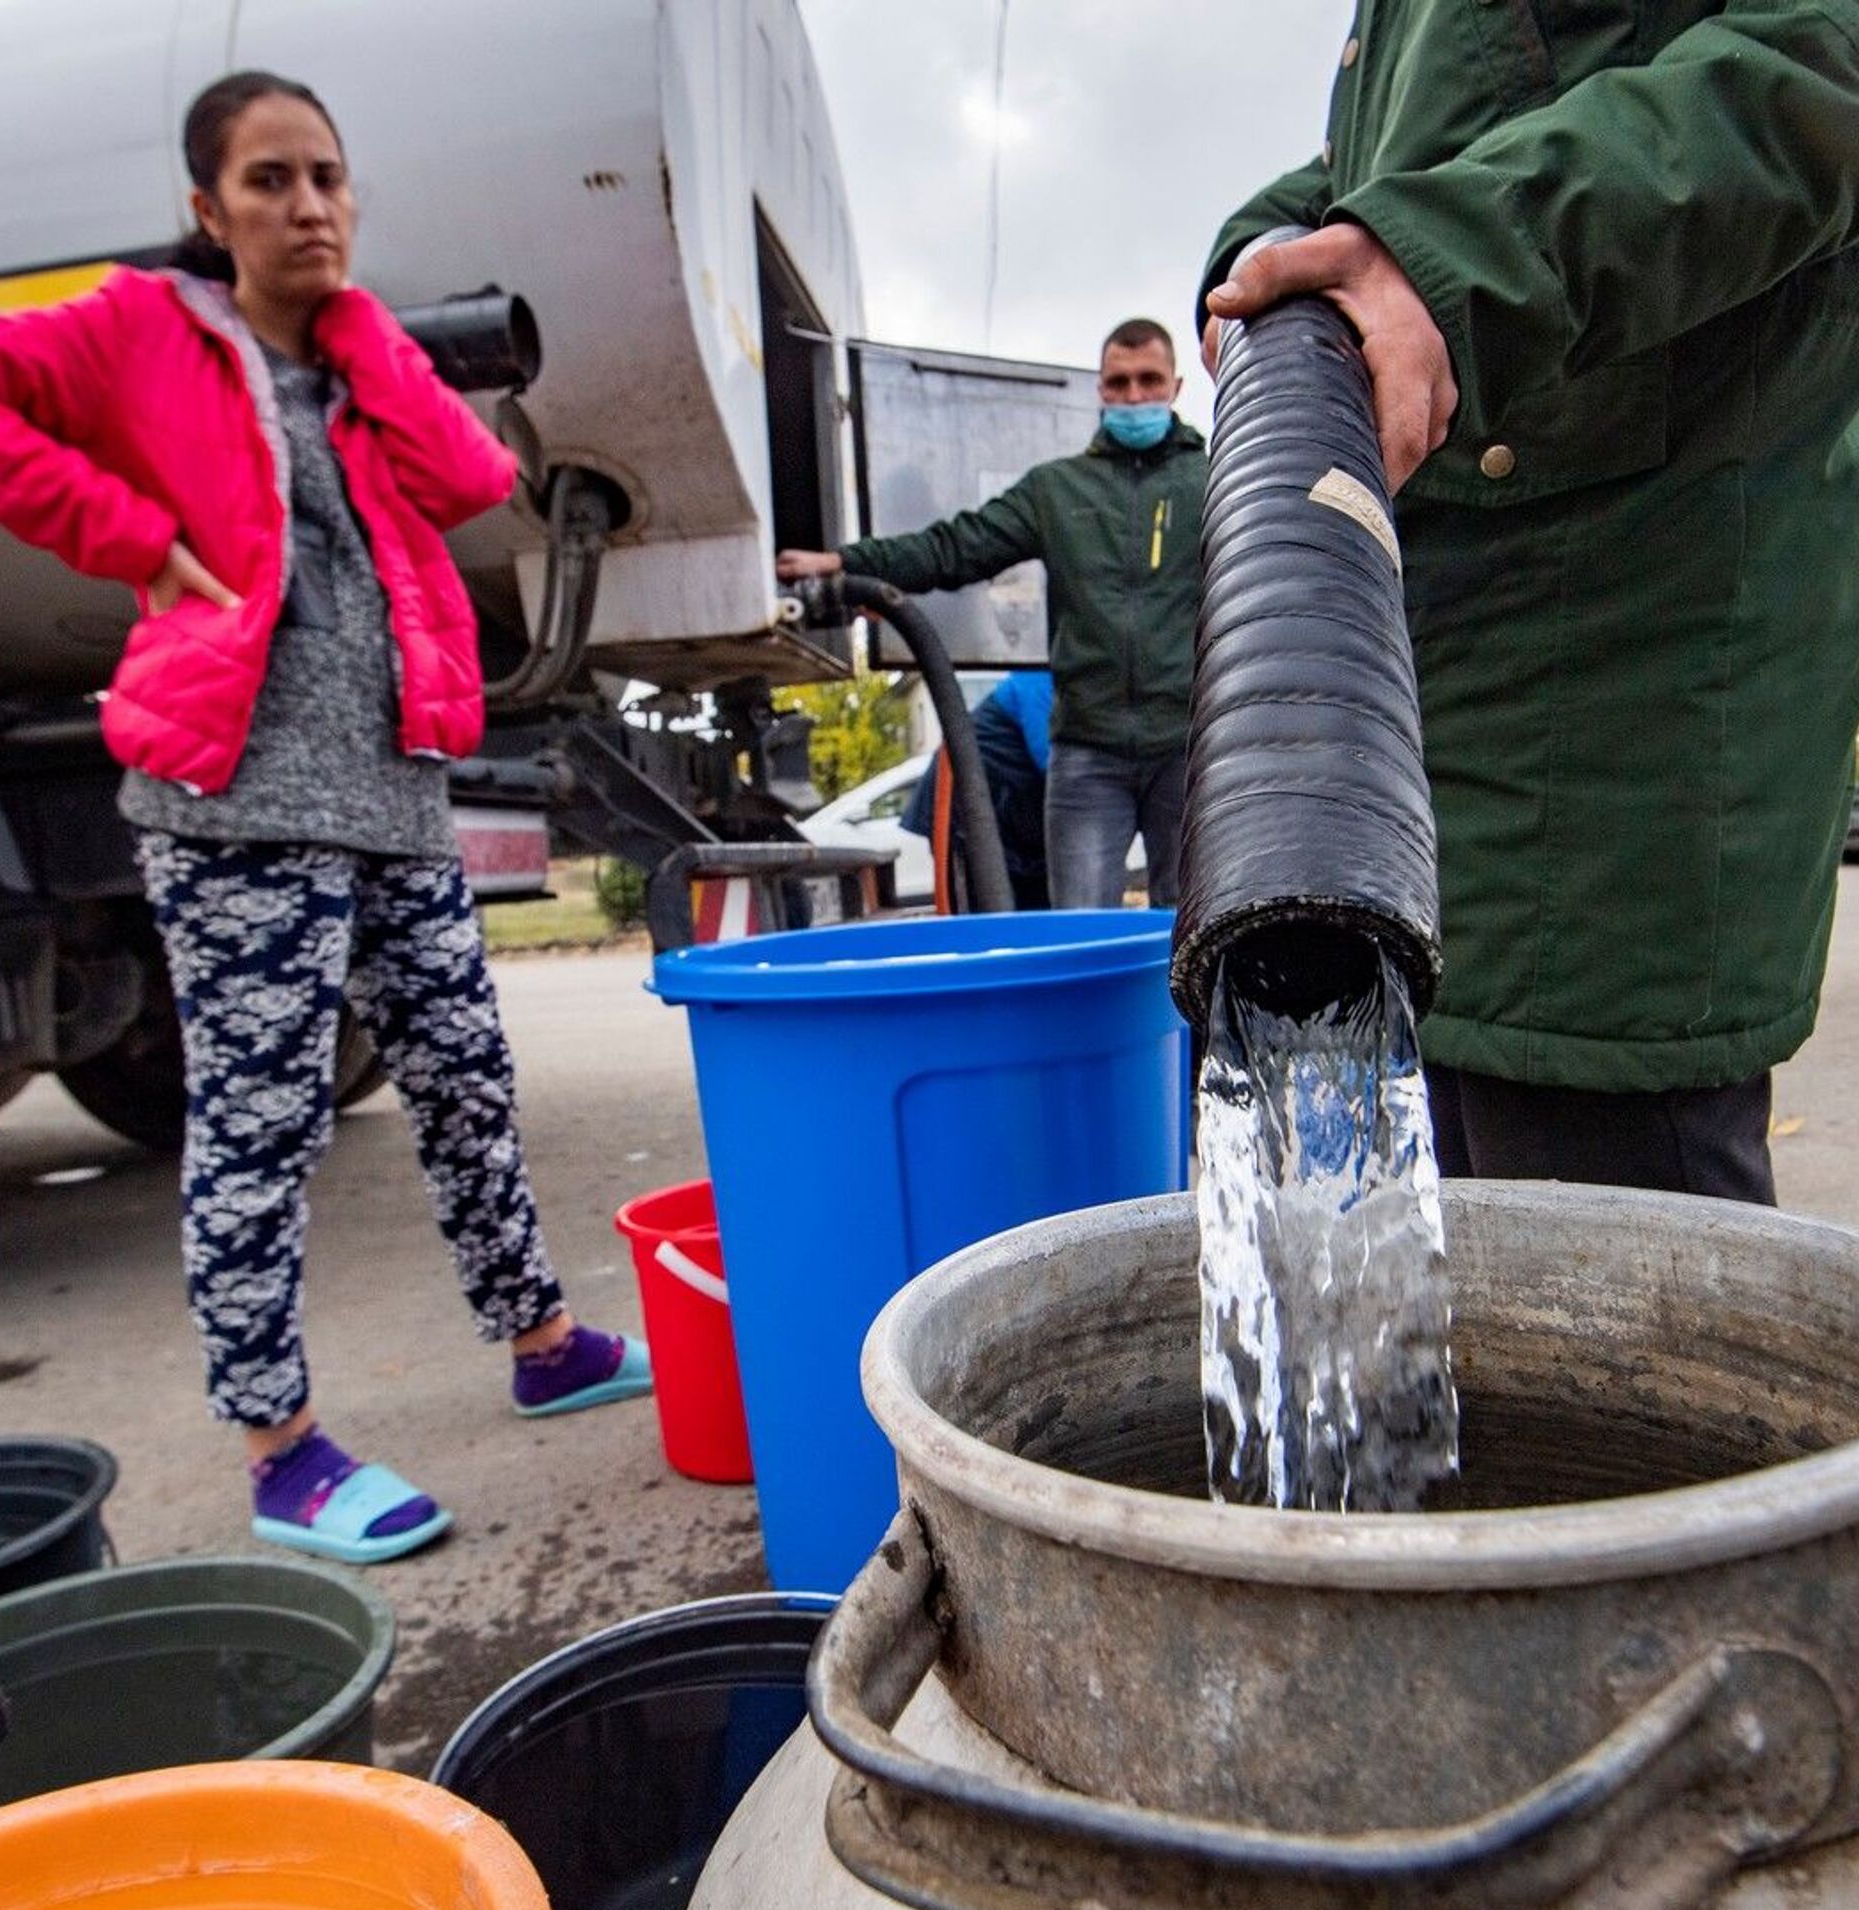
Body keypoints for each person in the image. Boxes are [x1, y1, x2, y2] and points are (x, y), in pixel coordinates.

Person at [0, 71, 651, 1564]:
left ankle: (538, 1341)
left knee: (463, 1080)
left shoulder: (351, 357)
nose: (307, 206)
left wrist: (357, 328)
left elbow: (472, 475)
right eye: (269, 183)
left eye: (326, 179)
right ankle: (279, 1447)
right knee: (262, 1124)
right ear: (209, 210)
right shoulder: (139, 329)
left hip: (392, 786)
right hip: (234, 798)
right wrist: (130, 535)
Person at [1198, 5, 1859, 1204]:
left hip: (1620, 693)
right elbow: (1388, 164)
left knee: (1622, 1313)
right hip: (1432, 693)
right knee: (1439, 1288)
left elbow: (1814, 62)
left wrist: (1446, 254)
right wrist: (1267, 258)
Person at [777, 318, 1205, 909]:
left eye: (1149, 381)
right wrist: (845, 564)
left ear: (1175, 387)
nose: (1134, 397)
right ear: (1100, 391)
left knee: (1191, 934)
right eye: (1120, 383)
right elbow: (956, 547)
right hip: (1087, 751)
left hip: (1184, 746)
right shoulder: (1058, 489)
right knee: (1079, 934)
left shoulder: (1211, 482)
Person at [901, 669, 1055, 909]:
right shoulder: (1036, 678)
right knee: (982, 916)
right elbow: (1052, 762)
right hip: (965, 811)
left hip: (1011, 819)